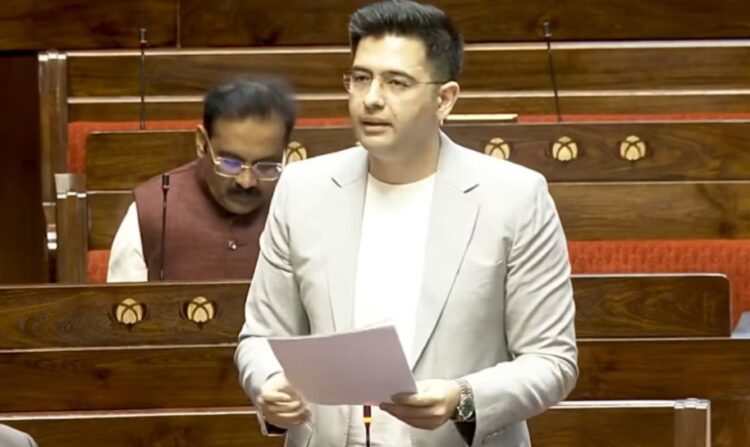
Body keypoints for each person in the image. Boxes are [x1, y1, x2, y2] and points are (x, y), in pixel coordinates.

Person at [234, 1, 578, 446]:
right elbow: (260, 337)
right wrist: (269, 383)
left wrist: (462, 398)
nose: (371, 98)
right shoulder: (302, 189)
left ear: (444, 99)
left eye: (396, 82)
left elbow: (552, 360)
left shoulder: (515, 198)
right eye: (361, 78)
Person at [107, 77, 296, 282]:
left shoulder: (301, 208)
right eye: (230, 162)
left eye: (266, 166)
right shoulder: (149, 212)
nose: (246, 181)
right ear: (202, 143)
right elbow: (124, 300)